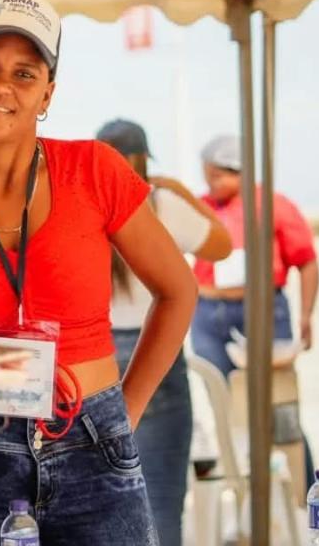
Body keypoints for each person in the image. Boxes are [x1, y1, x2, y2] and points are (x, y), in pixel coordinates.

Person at [0, 0, 198, 546]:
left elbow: (178, 291)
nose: (0, 85)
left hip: (92, 440)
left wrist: (123, 413)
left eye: (25, 73)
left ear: (47, 94)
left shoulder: (94, 170)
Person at [97, 119, 231, 546]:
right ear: (143, 159)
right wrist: (181, 189)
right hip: (158, 348)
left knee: (101, 495)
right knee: (163, 492)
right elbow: (223, 245)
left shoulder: (88, 204)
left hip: (97, 357)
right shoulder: (163, 204)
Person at [192, 133, 319, 488]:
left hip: (261, 311)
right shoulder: (200, 208)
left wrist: (306, 315)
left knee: (276, 406)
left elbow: (307, 261)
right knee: (228, 407)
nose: (211, 183)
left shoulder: (273, 205)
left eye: (218, 175)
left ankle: (299, 489)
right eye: (207, 175)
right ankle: (246, 491)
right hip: (207, 314)